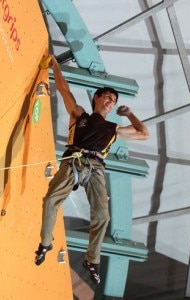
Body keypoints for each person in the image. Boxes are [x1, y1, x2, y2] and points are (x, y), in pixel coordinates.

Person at [35, 55, 149, 285]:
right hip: (73, 162)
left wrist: (129, 114)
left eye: (114, 100)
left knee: (102, 216)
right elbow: (64, 89)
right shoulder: (80, 115)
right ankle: (45, 243)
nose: (110, 101)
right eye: (108, 96)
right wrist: (56, 65)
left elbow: (143, 133)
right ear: (97, 97)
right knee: (50, 202)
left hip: (95, 169)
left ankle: (92, 260)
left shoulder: (114, 128)